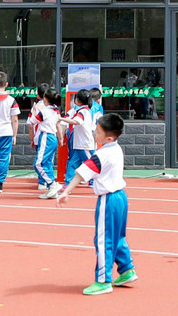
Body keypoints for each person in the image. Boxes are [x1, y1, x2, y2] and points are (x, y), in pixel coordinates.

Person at [54, 112, 136, 295]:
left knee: (103, 240)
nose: (94, 134)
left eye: (98, 132)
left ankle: (103, 280)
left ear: (109, 137)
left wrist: (66, 191)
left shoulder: (101, 155)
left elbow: (81, 173)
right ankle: (126, 269)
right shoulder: (116, 148)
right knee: (117, 236)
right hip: (121, 197)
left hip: (109, 200)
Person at [31, 84, 63, 197]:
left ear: (45, 99)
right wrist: (61, 138)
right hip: (53, 137)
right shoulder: (56, 111)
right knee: (47, 163)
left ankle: (52, 184)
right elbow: (58, 124)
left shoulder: (44, 112)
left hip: (46, 136)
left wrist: (35, 109)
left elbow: (32, 121)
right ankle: (51, 189)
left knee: (38, 163)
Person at [64, 87, 100, 185]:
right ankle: (67, 183)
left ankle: (95, 181)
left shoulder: (83, 111)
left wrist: (61, 119)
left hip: (84, 144)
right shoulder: (83, 110)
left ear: (77, 100)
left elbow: (76, 121)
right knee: (72, 163)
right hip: (80, 144)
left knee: (91, 163)